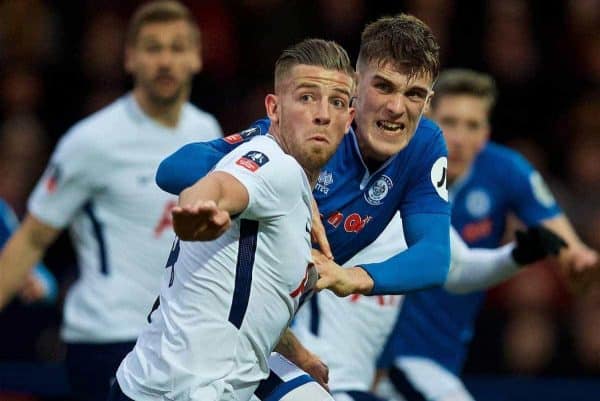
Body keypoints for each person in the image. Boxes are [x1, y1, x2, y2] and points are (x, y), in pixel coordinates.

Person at [153, 13, 452, 400]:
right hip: (193, 345)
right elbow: (172, 170)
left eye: (414, 95)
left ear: (428, 102)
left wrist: (352, 277)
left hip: (257, 337)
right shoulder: (296, 140)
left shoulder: (423, 145)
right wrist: (286, 179)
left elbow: (434, 256)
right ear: (355, 89)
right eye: (384, 87)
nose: (397, 107)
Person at [109, 38, 356, 401]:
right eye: (306, 97)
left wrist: (298, 353)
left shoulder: (294, 186)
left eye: (336, 102)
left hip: (161, 378)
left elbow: (244, 302)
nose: (322, 114)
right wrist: (197, 209)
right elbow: (219, 187)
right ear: (274, 109)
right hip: (176, 393)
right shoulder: (273, 164)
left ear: (349, 119)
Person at [0, 2, 222, 400]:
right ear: (130, 58)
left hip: (180, 337)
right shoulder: (92, 141)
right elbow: (32, 237)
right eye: (153, 48)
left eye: (177, 47)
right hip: (107, 338)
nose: (165, 60)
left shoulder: (207, 131)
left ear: (196, 57)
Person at [378, 69, 598, 401]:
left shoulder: (505, 171)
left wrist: (579, 263)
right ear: (426, 122)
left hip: (443, 359)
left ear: (486, 134)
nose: (460, 137)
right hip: (379, 359)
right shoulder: (390, 168)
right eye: (449, 122)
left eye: (472, 125)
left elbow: (569, 248)